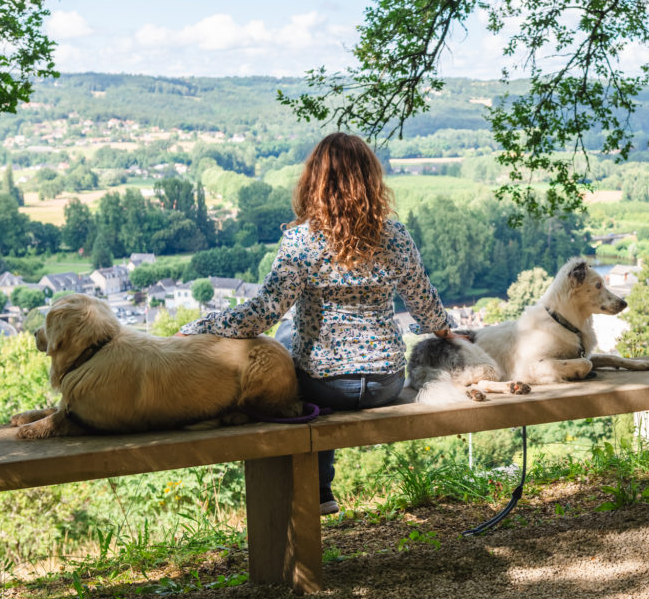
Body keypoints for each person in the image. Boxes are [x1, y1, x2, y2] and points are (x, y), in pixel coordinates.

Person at [179, 131, 457, 515]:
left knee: (287, 332)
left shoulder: (301, 241)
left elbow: (263, 312)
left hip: (325, 385)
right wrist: (445, 327)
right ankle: (322, 487)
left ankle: (321, 487)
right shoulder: (394, 236)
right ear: (371, 181)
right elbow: (425, 306)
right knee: (296, 337)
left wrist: (203, 325)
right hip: (385, 382)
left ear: (314, 183)